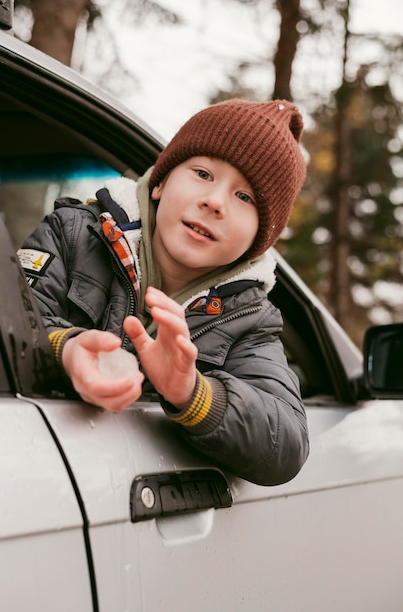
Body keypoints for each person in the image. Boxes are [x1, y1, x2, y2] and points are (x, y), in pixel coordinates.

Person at [18, 98, 309, 486]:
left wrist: (192, 392)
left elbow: (285, 444)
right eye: (203, 173)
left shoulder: (250, 319)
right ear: (161, 182)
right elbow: (5, 323)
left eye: (245, 197)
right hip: (28, 470)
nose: (215, 201)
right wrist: (65, 348)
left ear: (260, 238)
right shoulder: (72, 234)